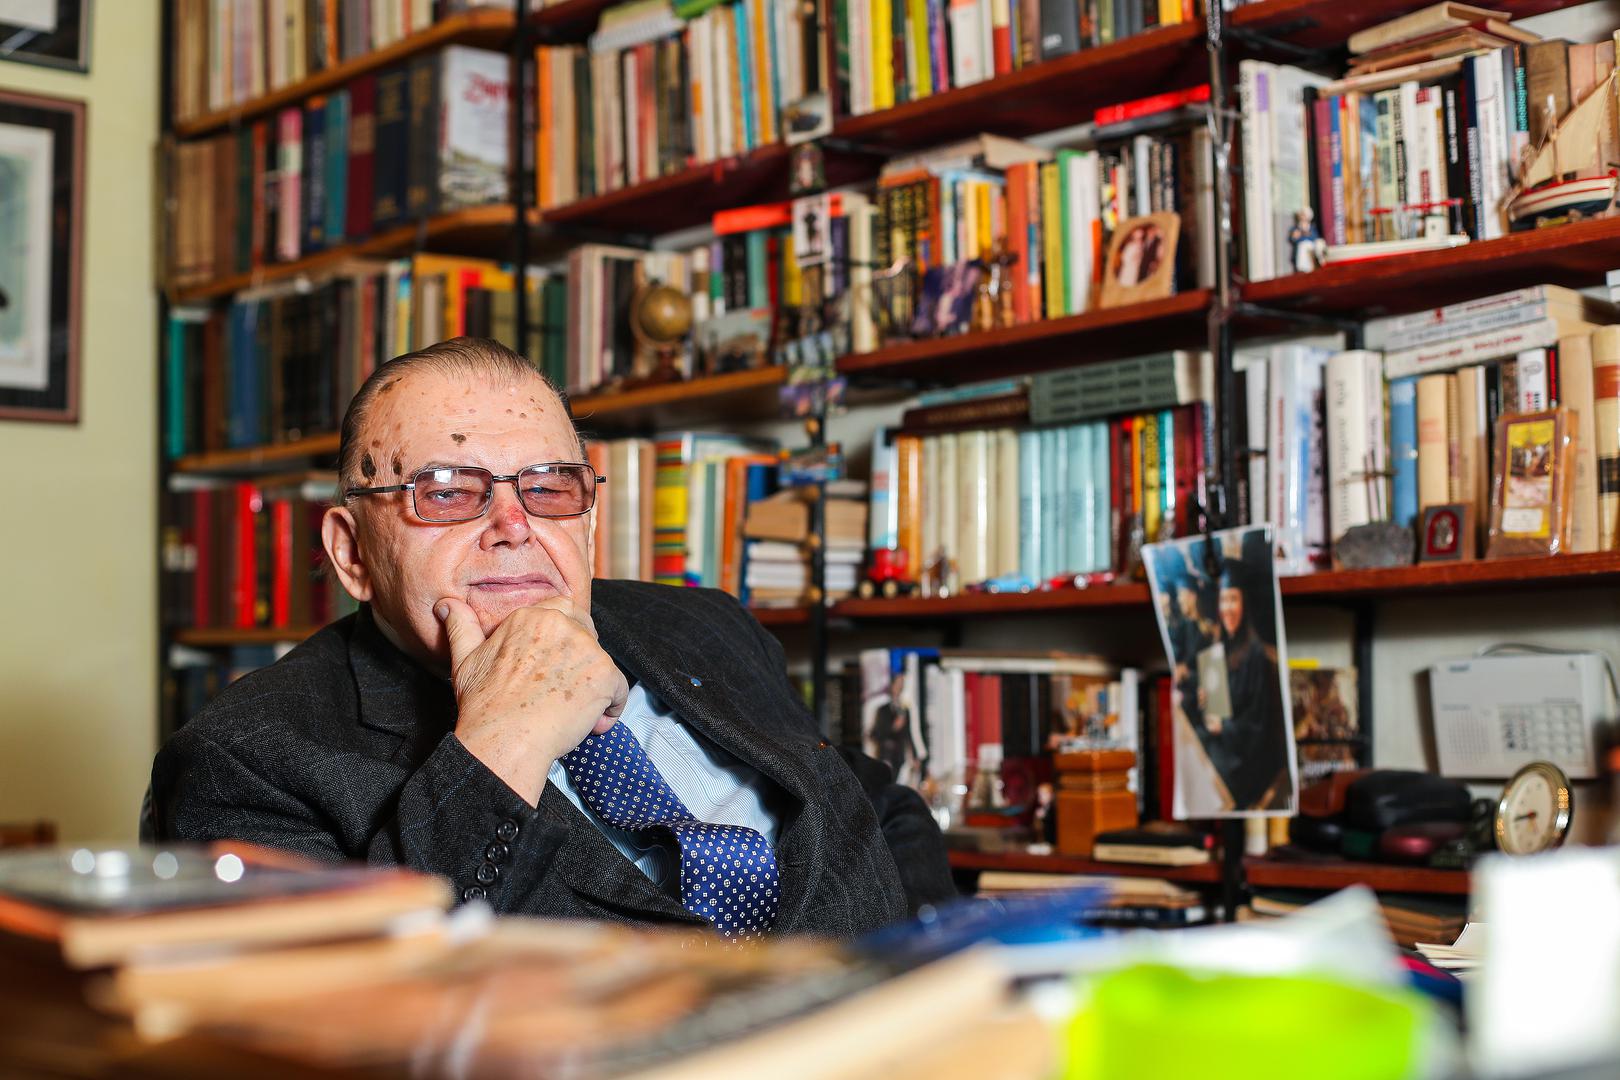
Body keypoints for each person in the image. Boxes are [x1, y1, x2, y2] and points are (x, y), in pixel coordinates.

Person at [147, 337, 954, 938]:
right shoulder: (245, 760)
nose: (514, 524)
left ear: (589, 518)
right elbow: (343, 1021)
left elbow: (877, 811)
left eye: (548, 487)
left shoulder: (702, 623)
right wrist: (505, 740)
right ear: (352, 554)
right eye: (447, 492)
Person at [1186, 561, 1290, 811]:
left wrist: (1224, 727)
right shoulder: (1220, 648)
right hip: (1225, 743)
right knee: (1193, 748)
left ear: (1244, 604)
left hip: (1246, 759)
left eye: (1233, 599)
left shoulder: (1255, 655)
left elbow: (1258, 727)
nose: (1227, 608)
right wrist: (1204, 701)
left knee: (1203, 768)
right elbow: (1218, 705)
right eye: (1223, 600)